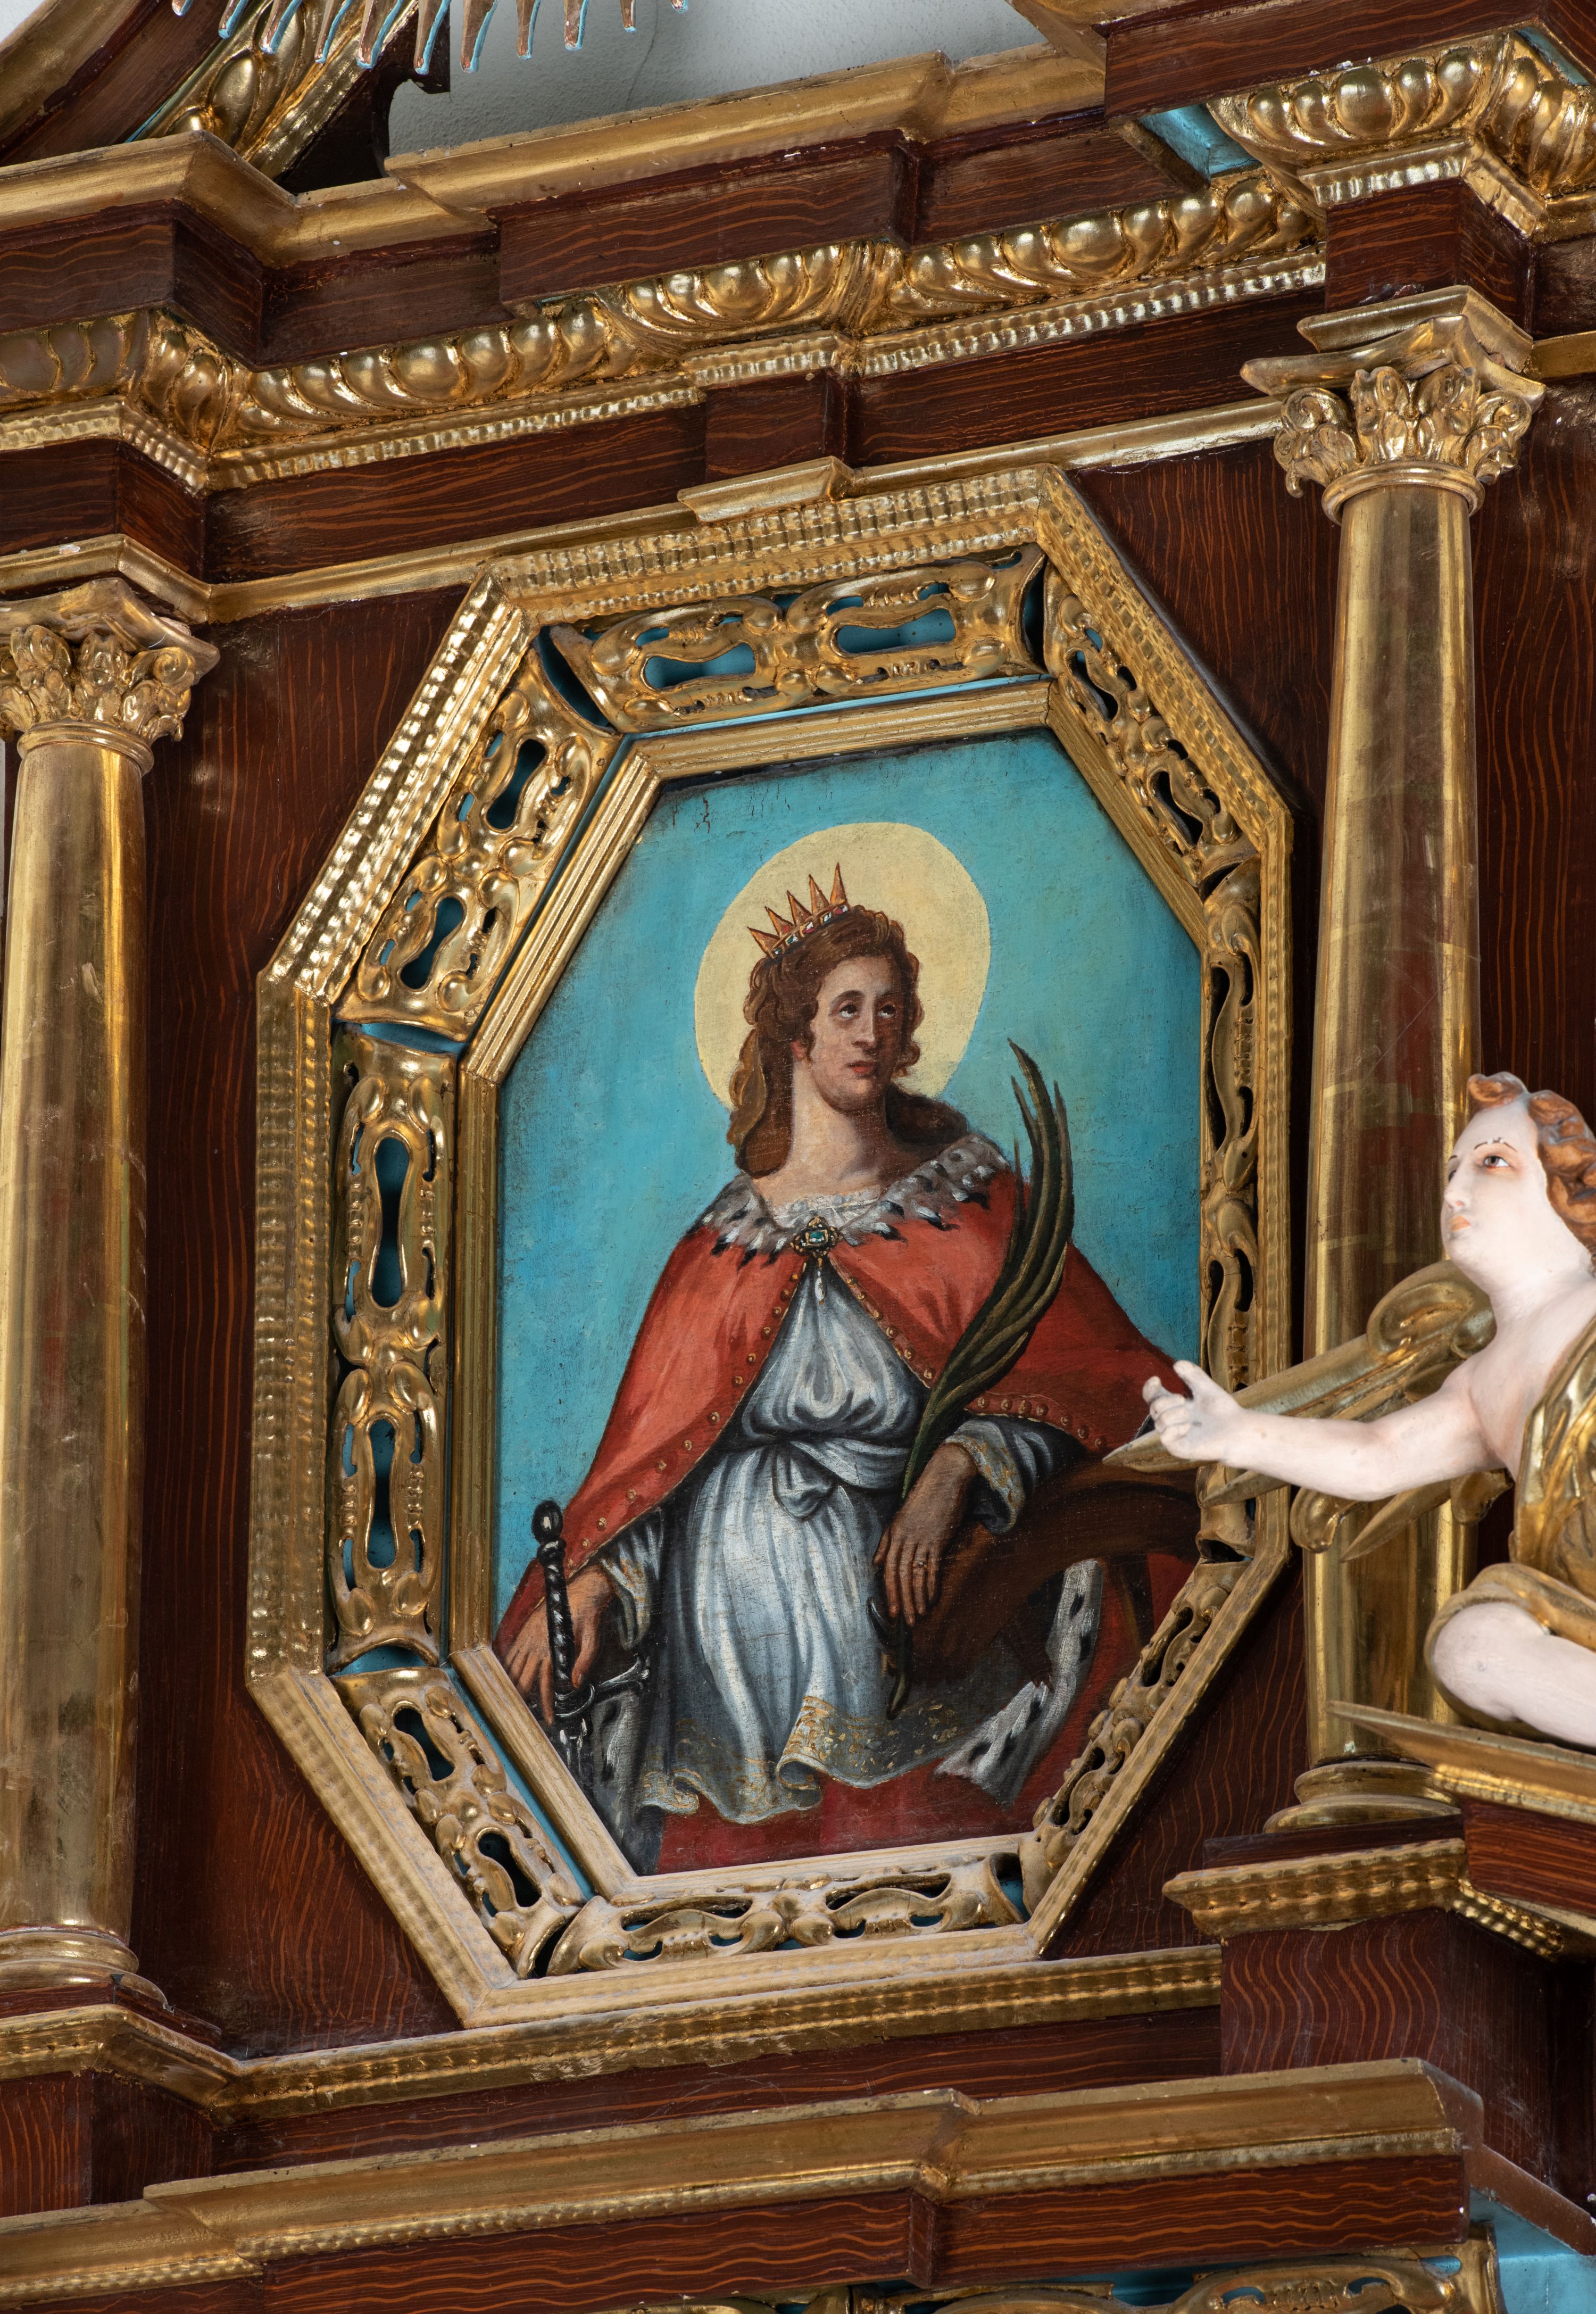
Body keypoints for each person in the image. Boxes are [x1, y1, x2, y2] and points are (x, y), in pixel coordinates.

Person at [495, 868, 1175, 1868]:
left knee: (905, 1862)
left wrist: (957, 1469)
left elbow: (1088, 1383)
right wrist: (606, 1578)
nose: (870, 1032)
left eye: (889, 1010)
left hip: (905, 1642)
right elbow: (662, 1464)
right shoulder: (722, 1243)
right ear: (796, 1036)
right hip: (720, 1663)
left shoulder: (968, 1203)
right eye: (845, 1009)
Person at [1142, 1071, 1596, 1752]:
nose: (1455, 1192)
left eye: (1492, 1163)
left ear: (1572, 1187)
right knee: (1472, 1647)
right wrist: (1239, 1433)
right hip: (1582, 1606)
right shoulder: (1481, 1383)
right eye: (1453, 1171)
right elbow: (1378, 1455)